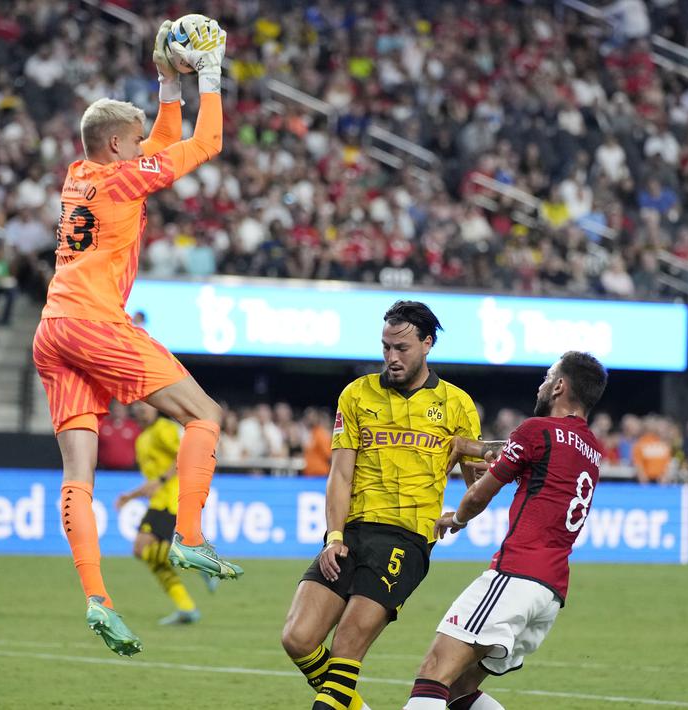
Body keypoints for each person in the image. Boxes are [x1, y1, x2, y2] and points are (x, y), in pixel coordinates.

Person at [29, 17, 236, 656]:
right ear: (120, 146)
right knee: (205, 414)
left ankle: (98, 598)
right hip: (95, 324)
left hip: (51, 330)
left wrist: (164, 80)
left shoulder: (78, 173)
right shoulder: (123, 178)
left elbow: (162, 136)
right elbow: (207, 142)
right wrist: (208, 74)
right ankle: (190, 535)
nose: (147, 143)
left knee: (77, 474)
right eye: (137, 139)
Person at [280, 301, 485, 710]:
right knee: (298, 638)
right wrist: (333, 536)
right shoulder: (356, 395)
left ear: (427, 344)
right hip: (351, 532)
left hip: (405, 540)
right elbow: (339, 475)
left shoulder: (457, 404)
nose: (391, 357)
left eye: (402, 348)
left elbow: (478, 484)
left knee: (344, 654)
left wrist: (472, 468)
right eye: (386, 347)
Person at [403, 351, 609, 710]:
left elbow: (481, 493)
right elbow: (534, 458)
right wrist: (484, 450)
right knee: (460, 689)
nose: (541, 383)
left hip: (517, 574)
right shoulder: (591, 448)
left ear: (559, 386)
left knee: (435, 670)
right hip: (550, 593)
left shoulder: (536, 430)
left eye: (548, 376)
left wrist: (456, 519)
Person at [115, 402, 217, 626]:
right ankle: (186, 607)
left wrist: (161, 481)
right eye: (138, 407)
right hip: (160, 500)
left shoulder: (164, 428)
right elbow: (152, 481)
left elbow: (185, 456)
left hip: (173, 499)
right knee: (150, 556)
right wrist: (130, 496)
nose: (143, 410)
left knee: (141, 548)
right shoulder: (142, 439)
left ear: (155, 408)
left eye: (147, 406)